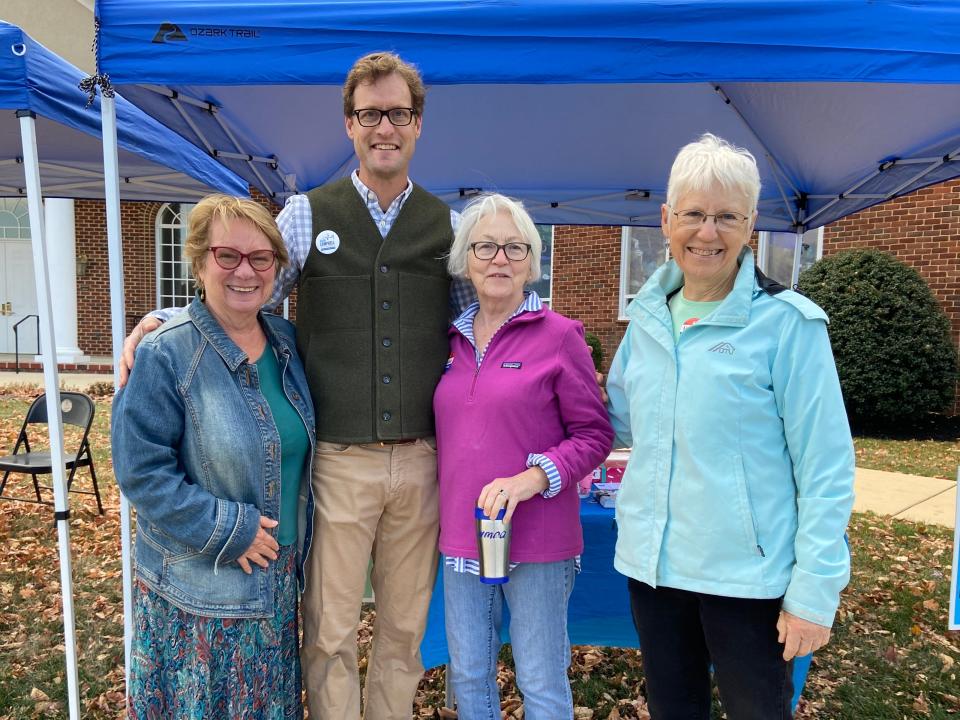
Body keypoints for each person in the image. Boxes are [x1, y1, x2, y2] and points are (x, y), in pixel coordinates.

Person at [119, 52, 473, 720]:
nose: (384, 128)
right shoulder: (308, 215)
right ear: (350, 125)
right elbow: (244, 290)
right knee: (331, 631)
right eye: (370, 115)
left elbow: (475, 323)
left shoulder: (446, 227)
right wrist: (165, 320)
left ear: (418, 124)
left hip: (423, 460)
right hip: (339, 461)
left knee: (403, 633)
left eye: (398, 113)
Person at [606, 133, 855, 720]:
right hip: (657, 573)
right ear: (666, 220)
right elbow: (613, 420)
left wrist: (814, 594)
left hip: (749, 584)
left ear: (751, 226)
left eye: (727, 217)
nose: (707, 232)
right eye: (693, 214)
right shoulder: (646, 319)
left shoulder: (789, 326)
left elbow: (826, 468)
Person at [112, 194, 315, 719]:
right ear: (199, 262)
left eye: (260, 258)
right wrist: (232, 529)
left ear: (276, 267)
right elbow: (142, 472)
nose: (244, 271)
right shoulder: (166, 353)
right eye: (227, 256)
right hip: (200, 596)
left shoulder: (288, 343)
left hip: (275, 586)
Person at [433, 193, 614, 719]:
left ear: (532, 262)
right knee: (469, 676)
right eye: (486, 247)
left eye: (515, 248)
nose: (500, 259)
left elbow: (593, 434)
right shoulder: (450, 341)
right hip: (465, 537)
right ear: (466, 258)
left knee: (540, 681)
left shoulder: (560, 336)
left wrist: (532, 478)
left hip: (539, 541)